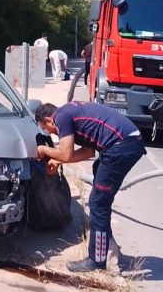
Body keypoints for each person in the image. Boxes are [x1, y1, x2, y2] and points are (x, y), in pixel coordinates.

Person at [34, 102, 146, 272]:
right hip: (127, 142)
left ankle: (97, 260)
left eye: (47, 129)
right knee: (97, 177)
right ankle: (108, 247)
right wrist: (58, 160)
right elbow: (88, 152)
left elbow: (66, 153)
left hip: (120, 147)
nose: (51, 133)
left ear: (49, 120)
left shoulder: (61, 117)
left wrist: (43, 150)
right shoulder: (70, 113)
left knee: (97, 204)